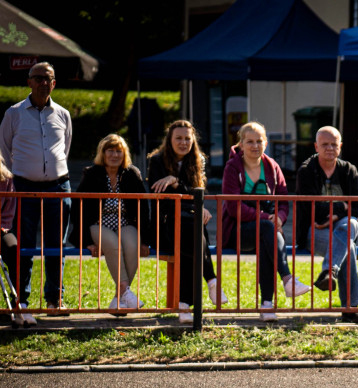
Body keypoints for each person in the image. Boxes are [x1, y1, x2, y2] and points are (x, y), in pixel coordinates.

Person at [0, 62, 72, 314]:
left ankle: (55, 299)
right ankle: (22, 300)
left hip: (58, 187)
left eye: (48, 78)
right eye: (38, 78)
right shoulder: (14, 113)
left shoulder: (63, 114)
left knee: (56, 246)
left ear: (54, 83)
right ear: (29, 81)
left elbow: (64, 150)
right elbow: (5, 151)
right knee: (23, 247)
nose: (43, 82)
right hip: (23, 188)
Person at [222, 121, 311, 322]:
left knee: (267, 238)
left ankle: (267, 305)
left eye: (259, 141)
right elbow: (233, 207)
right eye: (250, 141)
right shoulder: (232, 167)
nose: (255, 146)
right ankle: (288, 280)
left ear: (266, 143)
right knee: (266, 229)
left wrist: (279, 217)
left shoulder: (272, 166)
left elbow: (283, 199)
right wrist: (266, 218)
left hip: (266, 230)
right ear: (241, 144)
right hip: (237, 231)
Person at [147, 119, 224, 324]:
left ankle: (184, 306)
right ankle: (212, 281)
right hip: (165, 223)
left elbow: (196, 192)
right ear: (169, 140)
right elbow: (159, 195)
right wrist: (179, 187)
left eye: (187, 138)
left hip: (191, 220)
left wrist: (176, 183)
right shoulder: (157, 161)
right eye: (178, 138)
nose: (183, 142)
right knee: (191, 234)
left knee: (191, 238)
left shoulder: (198, 160)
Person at [294, 126, 358, 324]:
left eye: (334, 144)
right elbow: (311, 209)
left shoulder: (349, 170)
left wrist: (335, 215)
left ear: (340, 147)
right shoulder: (306, 171)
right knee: (348, 246)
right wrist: (341, 207)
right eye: (325, 144)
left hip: (343, 227)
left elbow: (357, 205)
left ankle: (329, 271)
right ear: (316, 146)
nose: (329, 148)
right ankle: (352, 308)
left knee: (350, 225)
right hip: (313, 231)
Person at [71, 134, 150, 314]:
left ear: (124, 154)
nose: (115, 155)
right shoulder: (91, 174)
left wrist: (145, 239)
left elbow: (143, 208)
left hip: (125, 221)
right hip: (98, 222)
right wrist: (85, 241)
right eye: (110, 151)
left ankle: (119, 297)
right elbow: (79, 207)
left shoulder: (132, 173)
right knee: (113, 244)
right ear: (103, 153)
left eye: (118, 151)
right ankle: (125, 292)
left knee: (132, 245)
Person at [0, 148, 33, 326]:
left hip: (1, 229)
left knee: (14, 251)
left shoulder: (6, 179)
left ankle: (18, 303)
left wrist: (2, 228)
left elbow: (8, 212)